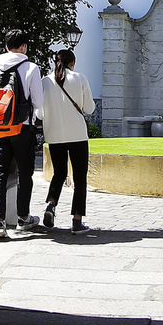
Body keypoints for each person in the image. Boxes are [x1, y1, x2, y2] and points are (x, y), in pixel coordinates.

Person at [0, 29, 45, 240]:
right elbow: (39, 102)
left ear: (6, 46)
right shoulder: (31, 68)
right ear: (24, 47)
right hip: (22, 128)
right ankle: (23, 217)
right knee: (25, 173)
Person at [37, 49, 96, 233]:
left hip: (54, 136)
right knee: (79, 177)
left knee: (59, 173)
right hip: (77, 135)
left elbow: (39, 114)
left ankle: (51, 204)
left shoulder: (45, 81)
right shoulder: (80, 78)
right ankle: (77, 221)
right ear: (73, 62)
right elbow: (90, 108)